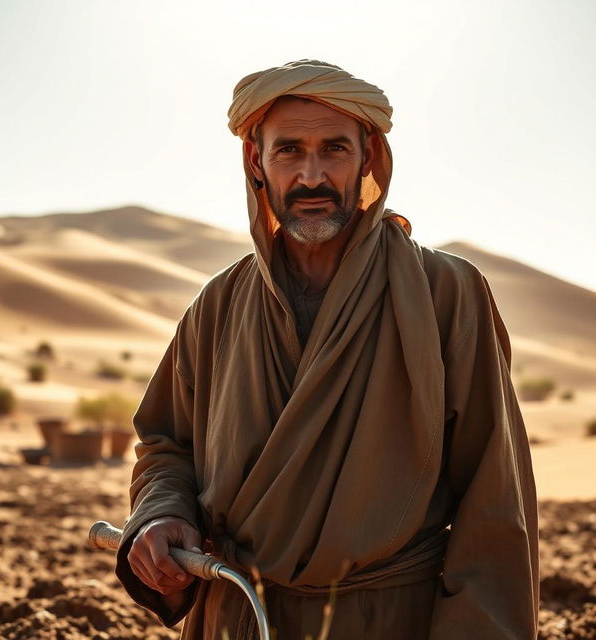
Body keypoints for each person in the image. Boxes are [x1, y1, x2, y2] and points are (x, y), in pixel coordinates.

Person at [115, 59, 539, 639]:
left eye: (334, 149)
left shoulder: (447, 293)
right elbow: (168, 445)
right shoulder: (218, 303)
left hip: (387, 622)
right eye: (288, 150)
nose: (311, 175)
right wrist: (163, 512)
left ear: (368, 159)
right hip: (236, 617)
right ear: (255, 163)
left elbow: (494, 500)